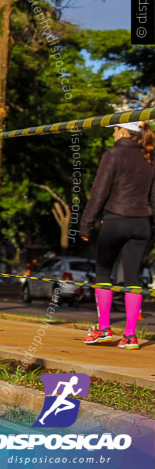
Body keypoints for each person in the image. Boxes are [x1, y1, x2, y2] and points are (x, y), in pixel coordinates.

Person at [80, 120, 155, 350]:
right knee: (132, 278)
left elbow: (99, 193)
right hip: (142, 224)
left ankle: (103, 330)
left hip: (115, 221)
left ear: (123, 131)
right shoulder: (150, 156)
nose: (113, 133)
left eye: (114, 129)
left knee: (103, 272)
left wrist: (86, 224)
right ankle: (131, 336)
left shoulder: (113, 154)